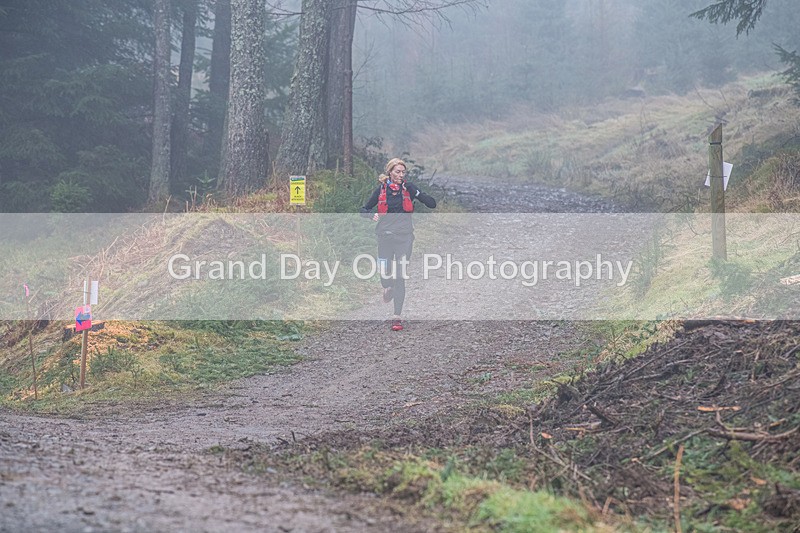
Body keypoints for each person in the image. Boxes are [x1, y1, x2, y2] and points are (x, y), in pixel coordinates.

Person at [361, 158, 437, 331]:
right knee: (384, 271)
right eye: (397, 172)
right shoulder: (381, 190)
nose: (401, 175)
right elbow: (363, 209)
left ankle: (397, 317)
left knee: (400, 275)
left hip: (404, 237)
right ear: (390, 172)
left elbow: (432, 204)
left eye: (403, 172)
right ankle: (387, 287)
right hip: (384, 236)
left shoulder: (409, 189)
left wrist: (418, 194)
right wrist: (370, 215)